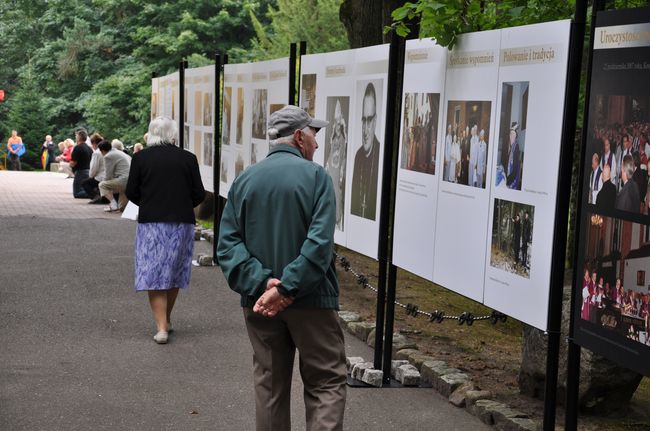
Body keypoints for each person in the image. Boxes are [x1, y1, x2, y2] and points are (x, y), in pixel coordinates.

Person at [217, 105, 346, 431]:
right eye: (314, 135)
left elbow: (227, 246)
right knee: (326, 381)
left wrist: (263, 285)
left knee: (269, 385)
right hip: (312, 301)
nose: (317, 144)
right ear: (300, 137)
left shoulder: (244, 180)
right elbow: (319, 245)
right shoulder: (317, 177)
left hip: (259, 304)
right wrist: (286, 288)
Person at [125, 116, 205, 344]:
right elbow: (198, 193)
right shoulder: (188, 158)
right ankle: (166, 320)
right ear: (173, 134)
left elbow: (131, 191)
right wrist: (180, 203)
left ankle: (161, 327)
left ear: (151, 133)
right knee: (173, 272)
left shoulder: (141, 158)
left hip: (152, 223)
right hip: (182, 223)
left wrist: (150, 202)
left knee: (153, 274)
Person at [351, 82, 380, 220]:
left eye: (369, 120)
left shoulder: (380, 155)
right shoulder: (358, 156)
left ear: (375, 121)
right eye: (364, 120)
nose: (365, 128)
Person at [98, 140, 131, 212]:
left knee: (102, 185)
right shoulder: (119, 152)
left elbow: (108, 175)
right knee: (122, 208)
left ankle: (113, 204)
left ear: (102, 150)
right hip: (130, 180)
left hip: (123, 181)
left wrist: (103, 183)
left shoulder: (108, 156)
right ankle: (116, 206)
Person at [82, 133, 107, 204]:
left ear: (94, 143)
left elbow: (93, 168)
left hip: (100, 177)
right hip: (107, 175)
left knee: (85, 183)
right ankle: (103, 197)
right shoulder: (106, 151)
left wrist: (91, 176)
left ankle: (96, 197)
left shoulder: (96, 153)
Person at [69, 129, 94, 198]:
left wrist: (70, 165)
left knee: (77, 193)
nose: (75, 137)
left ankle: (94, 194)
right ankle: (92, 193)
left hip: (80, 172)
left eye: (76, 135)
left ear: (79, 137)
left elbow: (73, 162)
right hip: (88, 171)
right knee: (83, 188)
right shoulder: (89, 148)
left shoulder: (77, 148)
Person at [506, 123, 521, 189]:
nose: (510, 137)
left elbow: (514, 169)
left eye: (512, 135)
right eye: (510, 135)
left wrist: (508, 181)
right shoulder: (512, 146)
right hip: (510, 171)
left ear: (515, 136)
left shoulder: (516, 147)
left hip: (513, 176)